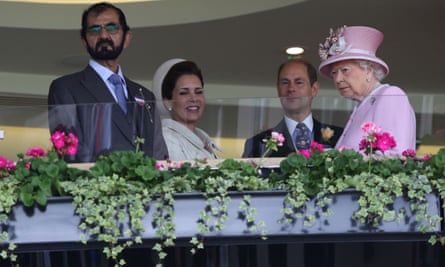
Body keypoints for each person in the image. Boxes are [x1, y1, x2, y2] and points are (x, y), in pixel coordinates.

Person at [48, 2, 168, 163]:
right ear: (84, 41)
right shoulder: (66, 88)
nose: (104, 36)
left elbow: (159, 155)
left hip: (147, 188)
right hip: (96, 185)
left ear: (127, 38)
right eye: (95, 30)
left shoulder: (145, 95)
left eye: (112, 28)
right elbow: (71, 155)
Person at [318, 25, 416, 154]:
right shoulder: (362, 105)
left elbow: (395, 155)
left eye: (345, 70)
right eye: (334, 73)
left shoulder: (390, 95)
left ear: (369, 71)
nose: (337, 79)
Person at [242, 58, 343, 158]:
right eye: (285, 83)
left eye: (299, 82)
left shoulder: (340, 136)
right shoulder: (256, 144)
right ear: (278, 89)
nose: (291, 89)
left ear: (314, 89)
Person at [152, 58, 221, 160]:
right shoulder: (167, 139)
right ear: (168, 102)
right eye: (184, 93)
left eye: (198, 92)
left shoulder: (203, 139)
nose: (194, 99)